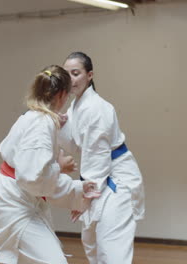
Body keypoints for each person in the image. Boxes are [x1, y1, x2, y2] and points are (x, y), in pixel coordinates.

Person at [0, 65, 101, 264]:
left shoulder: (35, 117)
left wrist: (75, 189)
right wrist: (63, 170)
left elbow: (33, 171)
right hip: (12, 203)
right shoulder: (42, 123)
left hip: (12, 196)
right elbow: (33, 178)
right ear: (62, 95)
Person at [59, 52, 145, 263]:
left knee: (112, 249)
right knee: (91, 242)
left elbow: (97, 158)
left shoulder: (97, 108)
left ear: (90, 75)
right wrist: (61, 126)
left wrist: (82, 197)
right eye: (66, 74)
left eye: (76, 73)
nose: (70, 79)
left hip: (116, 179)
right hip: (99, 176)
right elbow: (74, 145)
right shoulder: (75, 106)